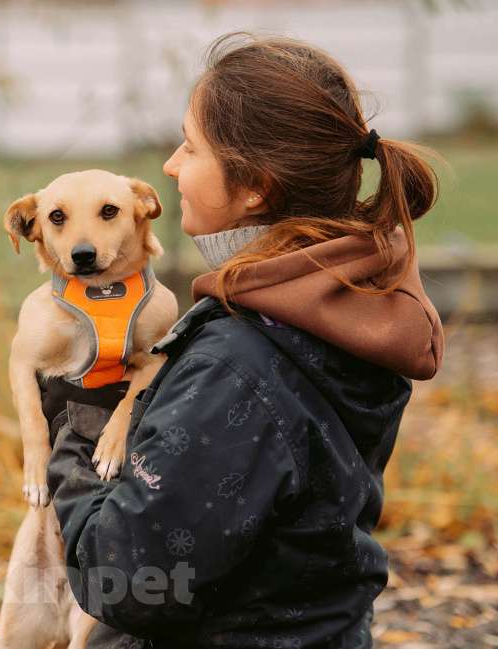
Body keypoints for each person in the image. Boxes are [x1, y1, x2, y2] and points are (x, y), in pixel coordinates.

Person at [45, 32, 445, 649]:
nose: (172, 164)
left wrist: (80, 417)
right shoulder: (348, 302)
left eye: (191, 146)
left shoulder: (238, 364)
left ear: (255, 186)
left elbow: (126, 581)